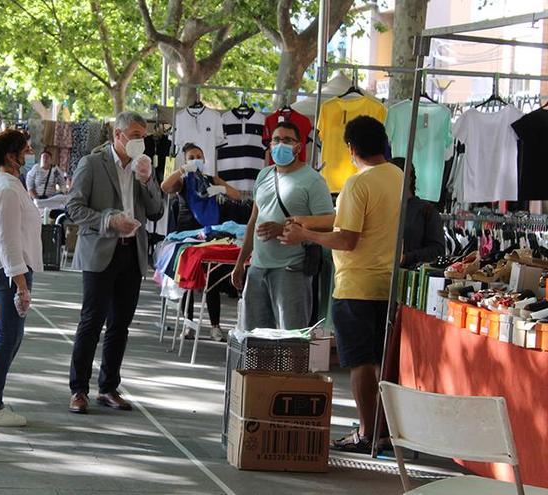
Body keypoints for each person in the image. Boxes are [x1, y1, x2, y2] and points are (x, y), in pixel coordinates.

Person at [279, 116, 403, 454]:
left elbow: (347, 238)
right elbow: (346, 218)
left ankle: (367, 433)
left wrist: (305, 235)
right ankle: (384, 430)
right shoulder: (397, 177)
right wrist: (309, 222)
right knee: (382, 360)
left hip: (356, 285)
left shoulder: (357, 184)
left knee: (361, 363)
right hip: (389, 284)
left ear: (351, 148)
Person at [66, 111, 164, 414]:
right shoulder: (92, 164)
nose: (140, 141)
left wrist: (148, 181)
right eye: (134, 135)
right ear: (117, 135)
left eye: (143, 136)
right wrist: (108, 220)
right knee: (91, 321)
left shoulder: (143, 166)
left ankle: (108, 387)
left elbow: (157, 211)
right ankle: (78, 389)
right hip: (100, 250)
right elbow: (74, 207)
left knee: (120, 325)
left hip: (132, 253)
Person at [230, 122, 335, 331]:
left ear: (298, 146)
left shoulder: (313, 181)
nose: (280, 144)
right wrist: (240, 262)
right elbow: (253, 221)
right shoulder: (264, 175)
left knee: (291, 340)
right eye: (276, 140)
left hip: (292, 270)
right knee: (255, 341)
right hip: (258, 269)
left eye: (287, 140)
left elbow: (328, 223)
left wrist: (285, 228)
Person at [0, 129, 43, 426]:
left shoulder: (6, 184)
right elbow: (8, 240)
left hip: (10, 269)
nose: (28, 154)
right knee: (8, 337)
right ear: (10, 156)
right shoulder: (5, 187)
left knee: (11, 337)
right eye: (25, 150)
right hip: (8, 270)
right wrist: (20, 285)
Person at [161, 142, 241, 341]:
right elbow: (165, 186)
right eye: (191, 157)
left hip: (210, 234)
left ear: (205, 159)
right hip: (188, 235)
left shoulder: (210, 179)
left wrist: (218, 188)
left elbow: (236, 194)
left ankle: (215, 326)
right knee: (188, 280)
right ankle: (188, 324)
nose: (196, 159)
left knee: (211, 281)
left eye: (199, 155)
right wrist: (181, 170)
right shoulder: (183, 181)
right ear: (186, 160)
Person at [390, 157, 444, 268]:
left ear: (408, 178)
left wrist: (406, 258)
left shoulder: (426, 210)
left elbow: (437, 250)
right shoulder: (380, 207)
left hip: (409, 276)